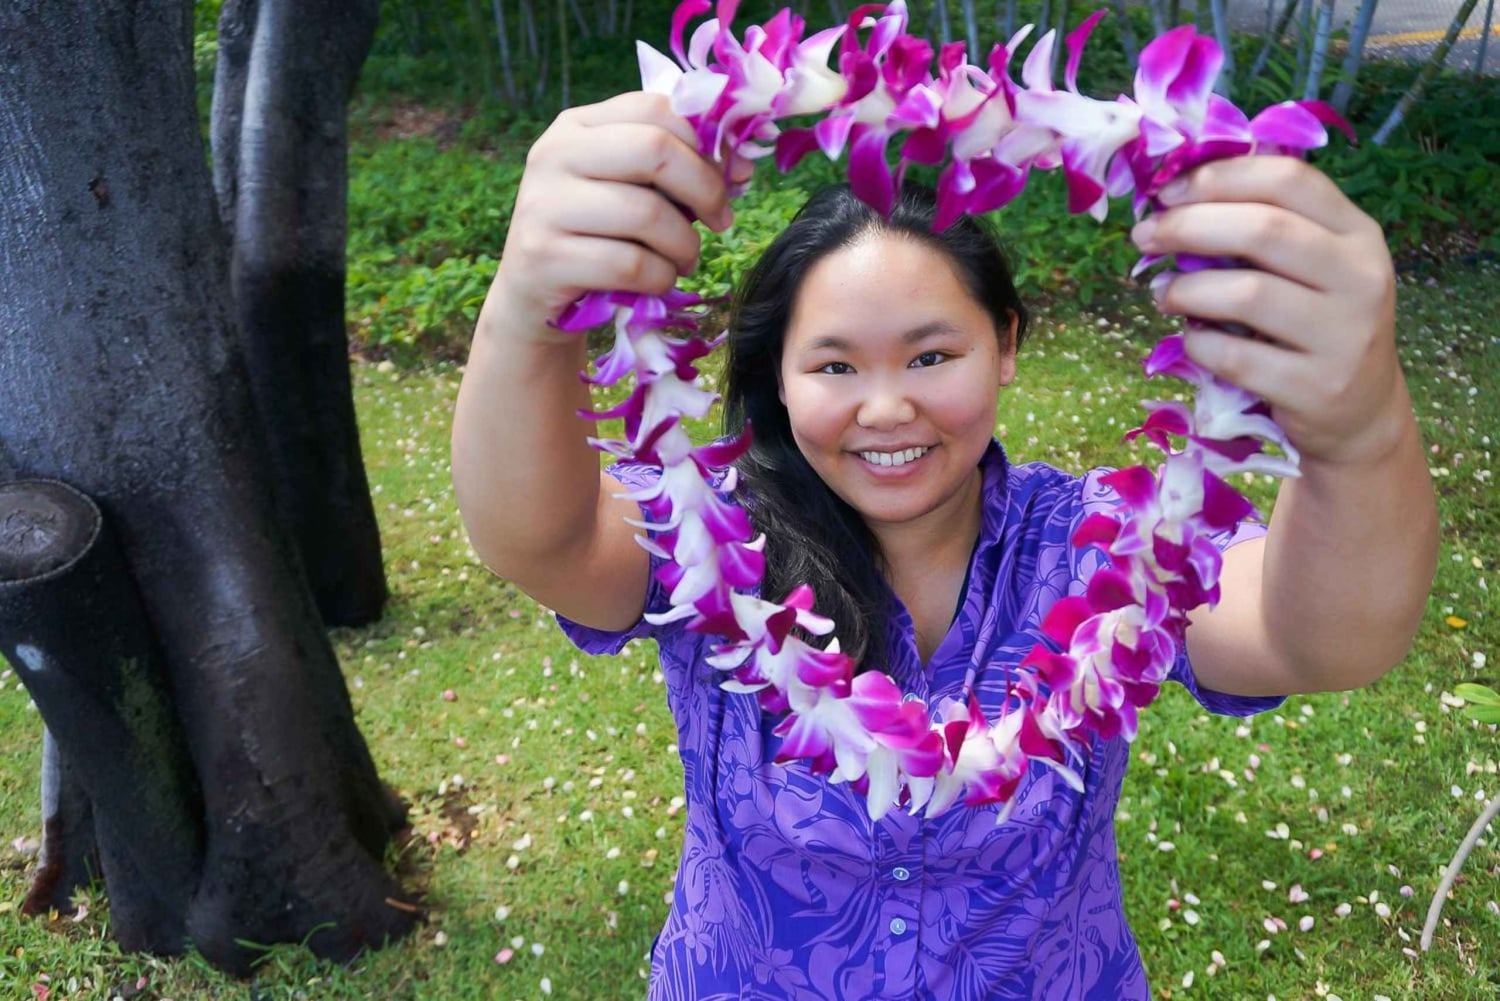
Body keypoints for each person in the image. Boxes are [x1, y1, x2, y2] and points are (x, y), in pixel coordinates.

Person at [451, 92, 1438, 999]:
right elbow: (541, 537)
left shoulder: (1102, 546)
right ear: (780, 378)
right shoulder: (720, 538)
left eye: (932, 354)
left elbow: (1318, 633)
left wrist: (1360, 431)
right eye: (835, 362)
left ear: (1004, 342)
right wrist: (529, 307)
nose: (889, 407)